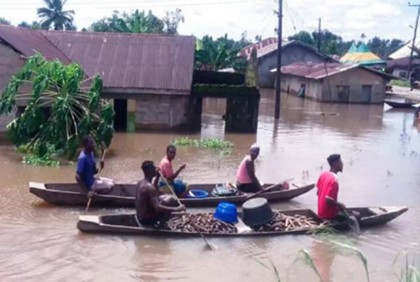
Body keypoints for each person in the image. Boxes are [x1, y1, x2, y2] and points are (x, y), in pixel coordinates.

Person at [136, 160, 186, 226]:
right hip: (146, 220)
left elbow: (154, 190)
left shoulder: (140, 182)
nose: (156, 168)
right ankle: (160, 228)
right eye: (154, 168)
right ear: (149, 171)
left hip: (140, 216)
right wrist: (177, 209)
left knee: (169, 198)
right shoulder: (149, 187)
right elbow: (157, 207)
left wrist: (158, 176)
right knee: (168, 206)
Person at [316, 154, 358, 221]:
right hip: (329, 215)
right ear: (335, 164)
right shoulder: (334, 180)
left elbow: (318, 193)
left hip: (320, 213)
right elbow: (328, 201)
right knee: (356, 216)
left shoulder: (323, 175)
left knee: (349, 212)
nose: (342, 164)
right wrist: (339, 204)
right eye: (341, 162)